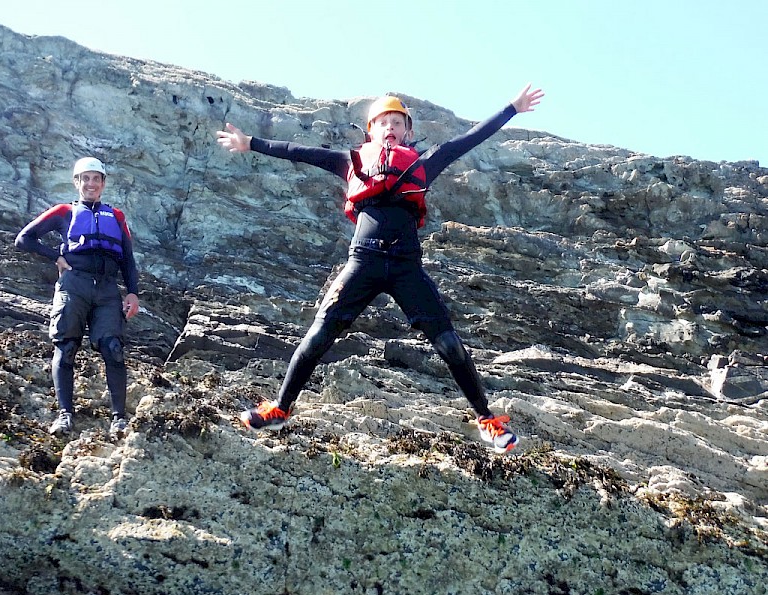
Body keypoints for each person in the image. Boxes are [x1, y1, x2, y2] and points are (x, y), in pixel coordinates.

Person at [216, 85, 544, 451]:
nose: (390, 127)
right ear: (371, 130)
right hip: (364, 262)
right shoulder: (350, 160)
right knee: (320, 334)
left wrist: (512, 108)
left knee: (450, 344)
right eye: (383, 122)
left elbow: (469, 138)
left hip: (406, 268)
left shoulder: (424, 164)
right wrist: (251, 143)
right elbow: (298, 151)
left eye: (397, 122)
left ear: (408, 131)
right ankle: (280, 408)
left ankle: (487, 420)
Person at [15, 157, 140, 436]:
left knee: (113, 349)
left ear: (103, 183)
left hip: (107, 289)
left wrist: (132, 293)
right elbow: (24, 238)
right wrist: (56, 257)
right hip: (74, 285)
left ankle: (119, 419)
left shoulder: (117, 217)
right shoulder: (64, 212)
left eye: (97, 179)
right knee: (66, 346)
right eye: (86, 178)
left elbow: (128, 260)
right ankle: (64, 415)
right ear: (77, 182)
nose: (91, 184)